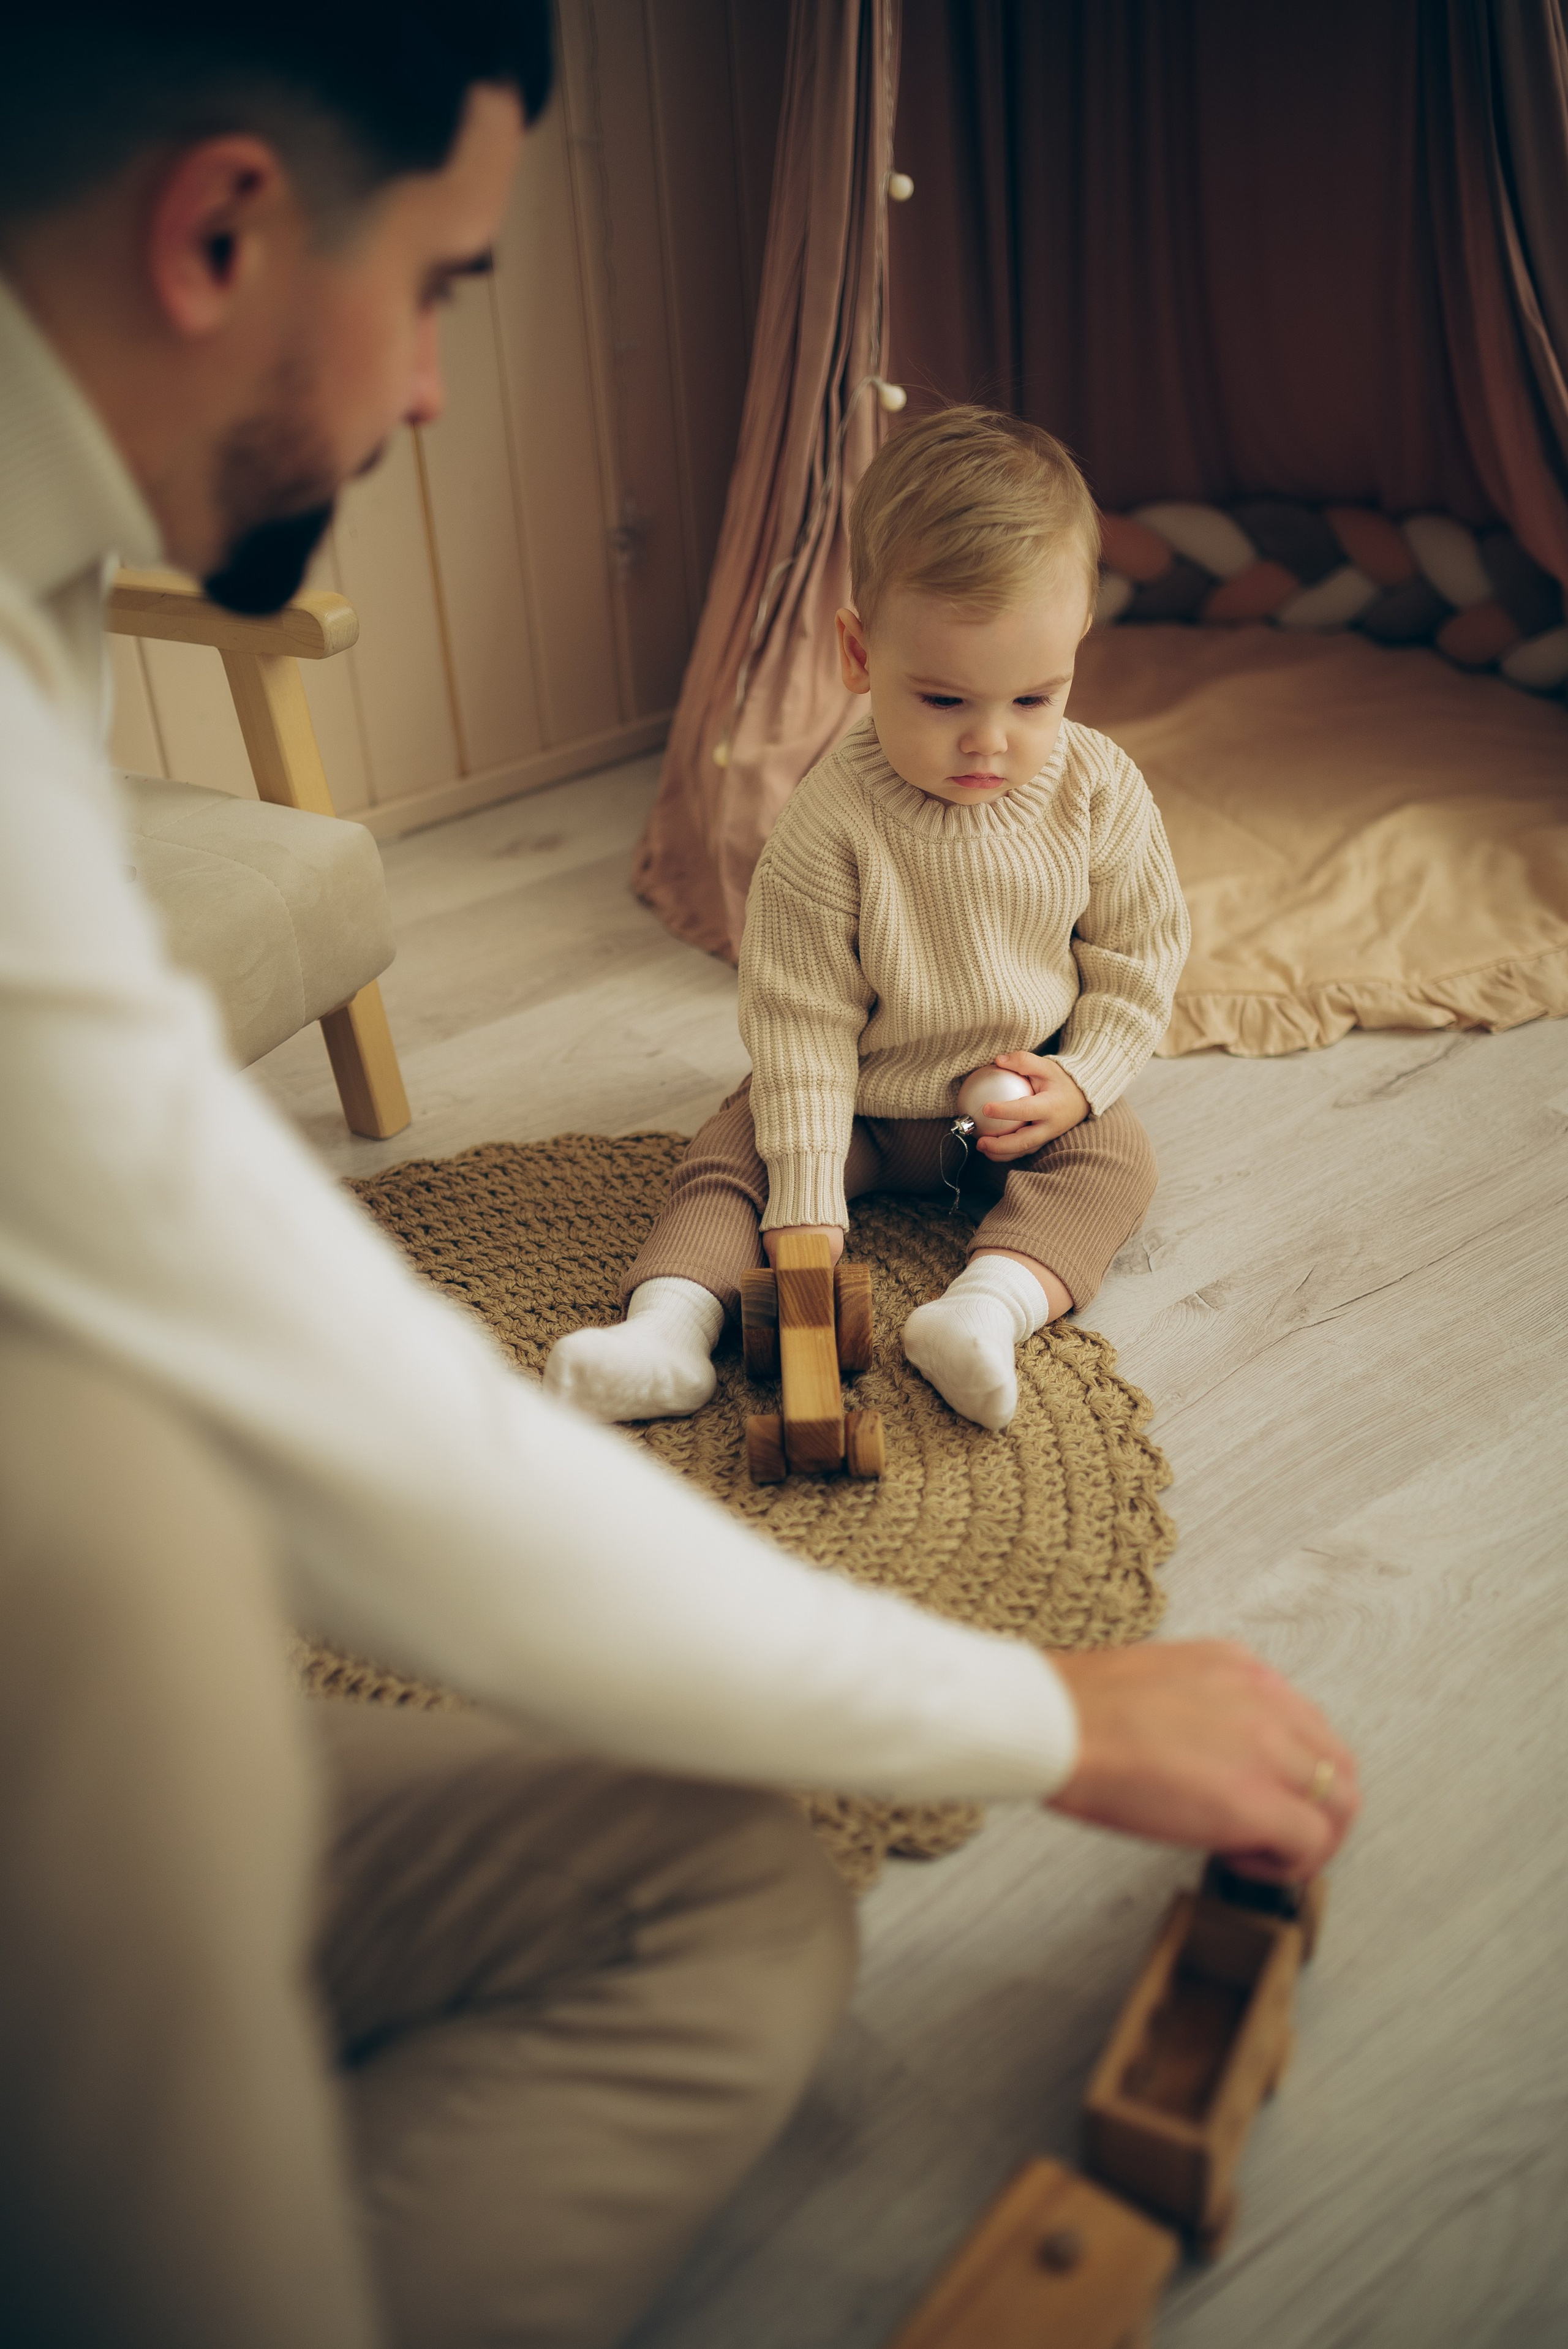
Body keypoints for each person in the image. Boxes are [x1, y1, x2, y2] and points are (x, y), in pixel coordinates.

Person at [0, 9, 1359, 2347]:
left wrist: (1070, 1087)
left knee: (726, 1894)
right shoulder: (825, 819)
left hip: (988, 1123)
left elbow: (1129, 978)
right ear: (220, 226)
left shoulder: (45, 605)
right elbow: (376, 1458)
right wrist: (1047, 1713)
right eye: (443, 285)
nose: (434, 392)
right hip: (72, 1680)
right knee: (143, 1578)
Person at [547, 409, 1187, 1433]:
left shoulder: (1099, 788)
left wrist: (1081, 1080)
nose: (990, 740)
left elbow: (1139, 955)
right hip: (860, 1106)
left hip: (1009, 1110)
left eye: (1035, 697)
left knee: (1119, 1161)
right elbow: (800, 1019)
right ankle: (666, 1329)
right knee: (735, 1153)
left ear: (1076, 650)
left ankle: (982, 1312)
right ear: (858, 652)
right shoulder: (829, 824)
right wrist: (805, 1198)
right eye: (941, 700)